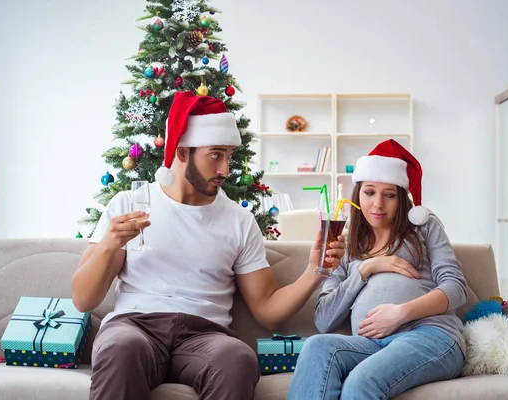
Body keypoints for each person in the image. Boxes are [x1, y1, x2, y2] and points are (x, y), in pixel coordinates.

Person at [71, 91, 346, 400]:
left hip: (205, 335)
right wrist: (109, 243)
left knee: (236, 359)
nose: (225, 170)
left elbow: (268, 309)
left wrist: (314, 270)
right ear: (182, 151)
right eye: (216, 154)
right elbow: (83, 299)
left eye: (229, 156)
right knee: (119, 348)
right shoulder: (129, 204)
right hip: (135, 327)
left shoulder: (239, 221)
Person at [287, 139, 467, 400]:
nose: (378, 204)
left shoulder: (424, 227)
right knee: (317, 346)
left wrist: (401, 313)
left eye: (389, 195)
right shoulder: (344, 245)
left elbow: (456, 287)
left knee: (360, 382)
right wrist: (366, 269)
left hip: (429, 335)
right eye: (369, 192)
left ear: (402, 198)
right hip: (370, 343)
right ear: (357, 194)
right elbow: (323, 320)